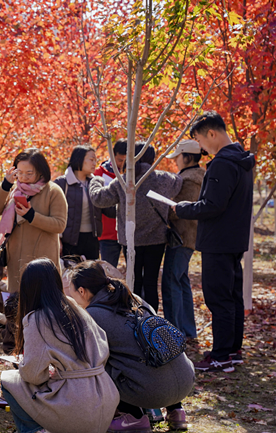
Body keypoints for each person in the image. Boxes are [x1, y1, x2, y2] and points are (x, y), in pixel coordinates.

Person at [66, 261, 195, 432]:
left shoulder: (92, 316)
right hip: (186, 380)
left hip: (154, 391)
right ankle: (176, 412)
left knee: (95, 364)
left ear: (81, 291)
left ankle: (132, 416)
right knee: (153, 349)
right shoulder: (133, 298)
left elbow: (86, 361)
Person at [175, 111, 255, 372]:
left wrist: (184, 208)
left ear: (212, 133)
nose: (200, 147)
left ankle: (221, 354)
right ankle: (232, 350)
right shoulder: (241, 159)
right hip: (233, 240)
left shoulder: (222, 163)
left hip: (218, 242)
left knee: (219, 298)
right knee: (232, 297)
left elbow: (213, 205)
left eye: (199, 139)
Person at [0, 258, 119, 433]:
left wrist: (39, 370)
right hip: (105, 398)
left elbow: (33, 376)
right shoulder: (76, 307)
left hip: (76, 405)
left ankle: (35, 430)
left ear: (28, 288)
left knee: (8, 380)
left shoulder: (38, 318)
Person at [89, 143, 182, 311]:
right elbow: (179, 181)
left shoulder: (124, 181)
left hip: (131, 240)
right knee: (151, 282)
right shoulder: (164, 178)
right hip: (157, 239)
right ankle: (152, 320)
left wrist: (96, 180)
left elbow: (99, 199)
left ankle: (136, 318)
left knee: (135, 281)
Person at [0, 148, 68, 294]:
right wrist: (5, 184)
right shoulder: (14, 190)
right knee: (17, 305)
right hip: (15, 261)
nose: (23, 177)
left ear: (40, 171)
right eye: (19, 172)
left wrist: (31, 216)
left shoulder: (53, 191)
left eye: (29, 173)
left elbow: (60, 225)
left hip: (43, 262)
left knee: (43, 303)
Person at [162, 140, 205, 339]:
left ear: (187, 156)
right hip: (186, 238)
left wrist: (162, 209)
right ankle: (187, 331)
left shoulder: (190, 179)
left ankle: (175, 332)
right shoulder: (197, 176)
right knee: (182, 282)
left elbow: (181, 210)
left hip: (181, 238)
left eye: (178, 157)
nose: (176, 162)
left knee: (171, 282)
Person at [55, 145, 114, 260]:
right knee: (71, 275)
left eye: (95, 160)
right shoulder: (62, 183)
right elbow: (53, 213)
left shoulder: (95, 183)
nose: (94, 164)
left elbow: (109, 210)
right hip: (69, 241)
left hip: (92, 240)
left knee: (91, 275)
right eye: (91, 159)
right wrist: (58, 240)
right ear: (79, 159)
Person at [94, 139, 127, 267]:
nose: (122, 164)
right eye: (119, 160)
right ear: (112, 156)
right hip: (107, 233)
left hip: (128, 230)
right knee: (108, 270)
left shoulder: (135, 174)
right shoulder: (100, 173)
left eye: (126, 160)